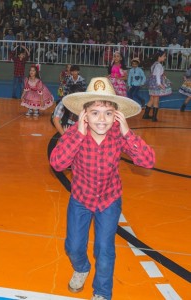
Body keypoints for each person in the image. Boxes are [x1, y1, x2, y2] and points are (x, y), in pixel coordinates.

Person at [50, 77, 155, 300]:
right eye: (95, 112)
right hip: (81, 199)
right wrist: (78, 135)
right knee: (74, 246)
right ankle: (81, 267)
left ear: (116, 116)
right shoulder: (74, 135)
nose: (102, 119)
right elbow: (57, 163)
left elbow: (148, 161)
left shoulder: (119, 134)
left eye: (108, 113)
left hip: (109, 200)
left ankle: (102, 292)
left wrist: (128, 132)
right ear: (84, 114)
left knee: (105, 250)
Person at [142, 50, 172, 122]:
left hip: (152, 84)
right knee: (156, 100)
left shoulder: (154, 64)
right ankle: (154, 117)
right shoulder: (158, 65)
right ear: (159, 57)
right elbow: (158, 76)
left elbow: (155, 75)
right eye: (164, 56)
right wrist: (160, 84)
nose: (165, 57)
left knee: (151, 99)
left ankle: (145, 115)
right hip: (156, 84)